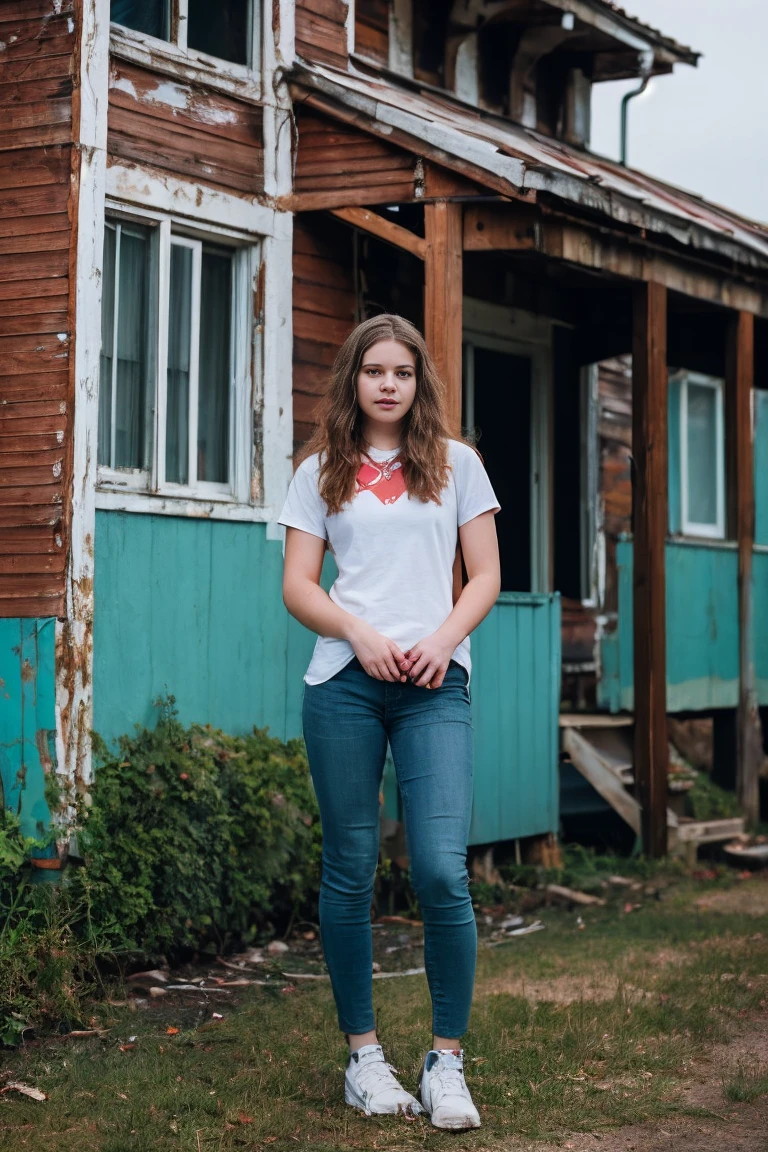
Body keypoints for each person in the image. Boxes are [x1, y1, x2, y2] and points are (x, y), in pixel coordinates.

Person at [279, 314, 500, 1130]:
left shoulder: (456, 465)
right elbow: (300, 584)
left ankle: (446, 1062)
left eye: (402, 372)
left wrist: (442, 641)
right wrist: (358, 634)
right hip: (344, 684)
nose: (388, 384)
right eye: (374, 370)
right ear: (353, 379)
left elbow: (485, 574)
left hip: (436, 684)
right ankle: (364, 1058)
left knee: (442, 869)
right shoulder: (321, 472)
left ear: (419, 383)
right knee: (351, 869)